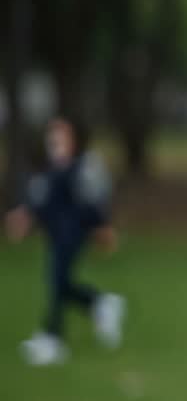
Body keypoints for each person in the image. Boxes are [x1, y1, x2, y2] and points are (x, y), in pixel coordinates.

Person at [4, 116, 126, 366]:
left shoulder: (84, 166)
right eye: (53, 135)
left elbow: (94, 199)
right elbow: (40, 201)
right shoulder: (50, 169)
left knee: (56, 279)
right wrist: (24, 216)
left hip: (73, 233)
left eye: (61, 135)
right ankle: (100, 303)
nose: (55, 140)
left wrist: (102, 227)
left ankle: (53, 338)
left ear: (74, 139)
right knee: (61, 282)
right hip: (56, 233)